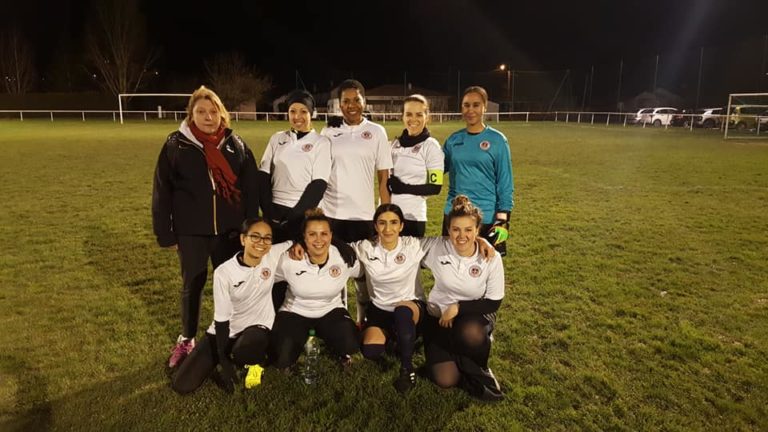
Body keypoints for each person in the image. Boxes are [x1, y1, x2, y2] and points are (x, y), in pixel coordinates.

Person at [289, 203, 494, 393]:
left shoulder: (414, 245)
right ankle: (398, 339)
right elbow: (326, 243)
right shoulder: (365, 248)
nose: (388, 229)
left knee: (402, 312)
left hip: (411, 307)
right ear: (375, 226)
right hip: (380, 310)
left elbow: (453, 239)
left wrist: (481, 239)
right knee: (371, 350)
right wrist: (301, 241)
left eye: (394, 222)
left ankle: (407, 370)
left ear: (401, 226)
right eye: (382, 223)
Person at [152, 85, 260, 368]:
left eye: (213, 111)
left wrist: (248, 227)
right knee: (193, 286)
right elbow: (162, 191)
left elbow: (250, 188)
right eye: (201, 111)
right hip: (192, 232)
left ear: (221, 113)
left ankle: (233, 335)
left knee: (233, 286)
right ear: (191, 114)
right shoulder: (176, 144)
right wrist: (166, 232)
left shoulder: (235, 144)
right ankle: (187, 339)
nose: (208, 117)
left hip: (230, 232)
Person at [171, 218, 291, 394]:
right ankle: (228, 355)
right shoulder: (224, 272)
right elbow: (221, 319)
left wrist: (338, 244)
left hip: (257, 327)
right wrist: (224, 362)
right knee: (182, 385)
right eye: (255, 237)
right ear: (243, 239)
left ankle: (256, 364)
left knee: (245, 351)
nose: (261, 243)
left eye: (267, 238)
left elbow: (307, 239)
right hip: (224, 330)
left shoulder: (271, 255)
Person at [321, 79, 393, 322]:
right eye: (346, 101)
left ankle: (363, 321)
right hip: (333, 214)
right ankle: (341, 321)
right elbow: (319, 173)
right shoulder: (328, 131)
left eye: (356, 100)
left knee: (363, 273)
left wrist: (385, 214)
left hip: (364, 215)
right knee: (335, 272)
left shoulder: (376, 132)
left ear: (364, 101)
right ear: (339, 105)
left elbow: (384, 176)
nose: (351, 105)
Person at [423, 195, 505, 401]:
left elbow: (494, 302)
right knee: (445, 380)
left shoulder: (490, 257)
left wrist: (458, 307)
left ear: (478, 231)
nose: (462, 235)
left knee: (471, 333)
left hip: (475, 315)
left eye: (469, 230)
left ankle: (479, 368)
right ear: (448, 229)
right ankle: (462, 361)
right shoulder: (437, 247)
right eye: (456, 229)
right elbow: (400, 243)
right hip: (439, 319)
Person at [258, 89, 332, 310]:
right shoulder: (277, 139)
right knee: (270, 269)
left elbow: (318, 184)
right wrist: (269, 211)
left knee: (297, 268)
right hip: (273, 212)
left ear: (313, 113)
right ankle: (268, 318)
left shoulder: (321, 142)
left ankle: (297, 315)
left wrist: (295, 216)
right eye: (292, 111)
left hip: (301, 214)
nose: (297, 116)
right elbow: (263, 175)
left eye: (303, 111)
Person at [270, 208, 360, 371]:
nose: (319, 240)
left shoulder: (344, 257)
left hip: (330, 310)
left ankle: (341, 352)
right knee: (282, 358)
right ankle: (293, 342)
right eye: (312, 234)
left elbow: (368, 273)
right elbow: (264, 279)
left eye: (324, 234)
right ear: (303, 237)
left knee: (351, 344)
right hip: (295, 311)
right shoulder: (289, 259)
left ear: (331, 235)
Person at [442, 86, 514, 256]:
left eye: (476, 105)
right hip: (454, 215)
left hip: (486, 216)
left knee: (483, 271)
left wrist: (502, 219)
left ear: (484, 107)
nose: (470, 110)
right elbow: (435, 170)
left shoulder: (497, 140)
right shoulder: (453, 140)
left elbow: (505, 181)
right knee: (451, 270)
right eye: (466, 105)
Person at [387, 94, 444, 237]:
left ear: (427, 117)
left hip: (412, 217)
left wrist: (403, 188)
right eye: (409, 114)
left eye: (419, 114)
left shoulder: (431, 146)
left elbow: (435, 187)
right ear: (402, 117)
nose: (413, 119)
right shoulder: (393, 144)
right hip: (388, 217)